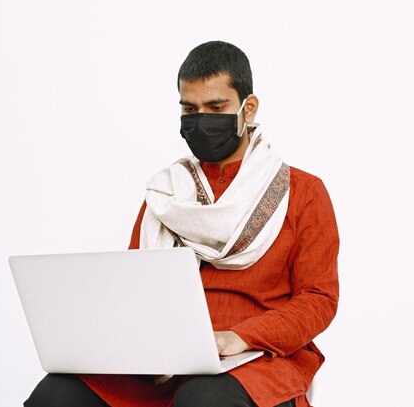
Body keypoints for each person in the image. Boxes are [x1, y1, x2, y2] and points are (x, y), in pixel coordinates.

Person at [24, 40, 339, 407]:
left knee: (202, 399)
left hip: (257, 358)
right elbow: (135, 282)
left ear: (247, 108)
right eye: (190, 109)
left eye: (216, 107)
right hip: (161, 363)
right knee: (56, 394)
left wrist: (238, 337)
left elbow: (318, 299)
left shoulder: (302, 192)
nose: (201, 119)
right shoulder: (168, 194)